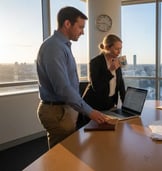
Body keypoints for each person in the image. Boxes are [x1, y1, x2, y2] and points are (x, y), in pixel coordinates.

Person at [36, 6, 109, 149]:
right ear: (67, 24)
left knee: (68, 152)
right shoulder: (54, 47)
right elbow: (63, 88)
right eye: (80, 27)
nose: (82, 32)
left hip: (63, 110)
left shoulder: (61, 46)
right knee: (64, 156)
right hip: (58, 112)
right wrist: (90, 111)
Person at [77, 34, 126, 128]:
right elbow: (97, 87)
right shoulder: (95, 62)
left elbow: (120, 84)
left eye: (120, 49)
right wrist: (110, 70)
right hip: (94, 105)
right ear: (107, 47)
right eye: (117, 49)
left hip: (109, 104)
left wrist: (126, 106)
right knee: (95, 137)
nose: (119, 52)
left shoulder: (117, 61)